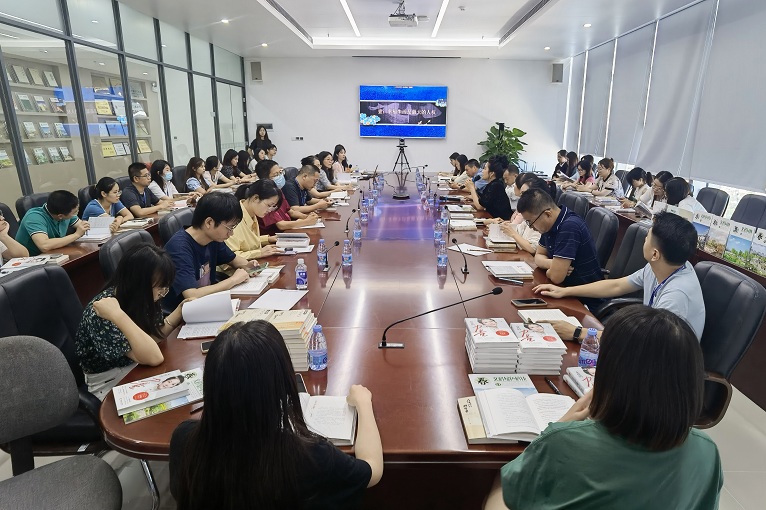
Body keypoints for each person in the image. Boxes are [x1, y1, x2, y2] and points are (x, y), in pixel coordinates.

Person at [484, 305, 722, 510]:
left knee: (495, 484)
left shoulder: (561, 443)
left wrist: (553, 431)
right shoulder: (707, 451)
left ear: (611, 373)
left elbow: (506, 498)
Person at [169, 320, 383, 509]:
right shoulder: (308, 456)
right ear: (281, 382)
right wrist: (363, 403)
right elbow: (372, 470)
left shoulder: (184, 439)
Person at [533, 211, 705, 340]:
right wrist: (565, 291)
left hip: (664, 364)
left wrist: (577, 333)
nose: (644, 240)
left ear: (655, 254)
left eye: (647, 237)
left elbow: (643, 342)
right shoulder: (664, 265)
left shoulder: (676, 296)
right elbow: (617, 285)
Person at [75, 243, 186, 399]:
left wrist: (179, 311)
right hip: (109, 380)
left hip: (136, 365)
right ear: (138, 283)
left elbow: (151, 339)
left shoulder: (142, 297)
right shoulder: (102, 312)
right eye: (160, 287)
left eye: (165, 287)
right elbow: (154, 357)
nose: (162, 293)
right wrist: (118, 315)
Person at [162, 192, 261, 310]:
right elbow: (191, 295)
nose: (231, 233)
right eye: (230, 228)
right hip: (185, 312)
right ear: (209, 222)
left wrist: (248, 266)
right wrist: (233, 280)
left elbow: (234, 260)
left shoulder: (213, 238)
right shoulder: (179, 248)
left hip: (211, 301)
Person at [516, 188, 604, 308]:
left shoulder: (569, 226)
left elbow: (556, 277)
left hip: (584, 301)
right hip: (562, 291)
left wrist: (552, 270)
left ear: (547, 214)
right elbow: (538, 256)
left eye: (530, 222)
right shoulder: (549, 224)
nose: (531, 227)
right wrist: (552, 264)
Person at [223, 180, 282, 270]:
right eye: (269, 205)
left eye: (273, 207)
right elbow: (229, 257)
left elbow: (246, 241)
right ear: (255, 198)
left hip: (249, 267)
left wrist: (267, 239)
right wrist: (259, 252)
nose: (269, 210)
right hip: (232, 272)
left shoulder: (251, 213)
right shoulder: (234, 217)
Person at [15, 190, 90, 256]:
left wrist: (85, 226)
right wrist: (76, 235)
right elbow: (44, 246)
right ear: (60, 216)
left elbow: (81, 225)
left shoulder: (64, 211)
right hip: (31, 259)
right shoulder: (34, 217)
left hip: (55, 254)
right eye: (74, 212)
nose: (75, 214)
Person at [254, 160, 320, 234]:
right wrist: (306, 222)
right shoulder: (264, 196)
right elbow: (281, 225)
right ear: (265, 178)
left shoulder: (278, 190)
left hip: (288, 230)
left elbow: (291, 212)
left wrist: (306, 217)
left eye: (280, 173)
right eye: (276, 175)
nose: (280, 176)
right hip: (275, 235)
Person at [497, 179, 547, 254]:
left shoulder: (540, 217)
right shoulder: (528, 214)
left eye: (524, 194)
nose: (521, 198)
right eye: (521, 194)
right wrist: (506, 227)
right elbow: (518, 229)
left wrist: (513, 233)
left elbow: (533, 248)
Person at [465, 155, 513, 220]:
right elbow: (483, 201)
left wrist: (472, 188)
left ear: (491, 173)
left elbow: (480, 206)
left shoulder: (496, 185)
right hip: (492, 218)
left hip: (500, 221)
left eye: (485, 169)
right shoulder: (492, 184)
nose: (482, 171)